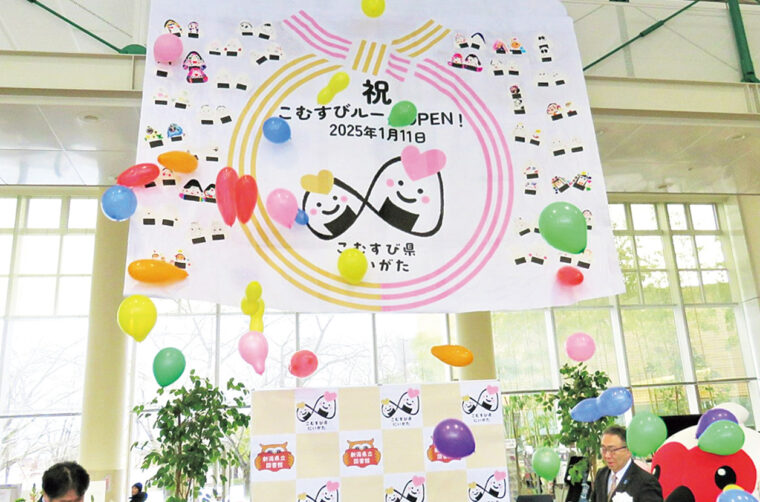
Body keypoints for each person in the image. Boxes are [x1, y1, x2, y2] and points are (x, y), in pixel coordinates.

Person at [592, 425, 663, 502]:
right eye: (604, 449)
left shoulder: (646, 482)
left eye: (612, 450)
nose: (607, 455)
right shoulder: (601, 474)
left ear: (628, 450)